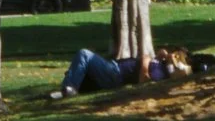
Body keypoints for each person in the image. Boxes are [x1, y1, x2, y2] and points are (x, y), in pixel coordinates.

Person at [49, 42, 192, 100]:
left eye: (176, 56)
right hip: (113, 67)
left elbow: (143, 78)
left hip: (116, 74)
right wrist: (158, 56)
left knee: (84, 54)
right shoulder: (160, 63)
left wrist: (146, 60)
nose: (173, 55)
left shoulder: (164, 73)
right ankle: (65, 91)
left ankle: (70, 88)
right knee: (76, 73)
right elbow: (154, 56)